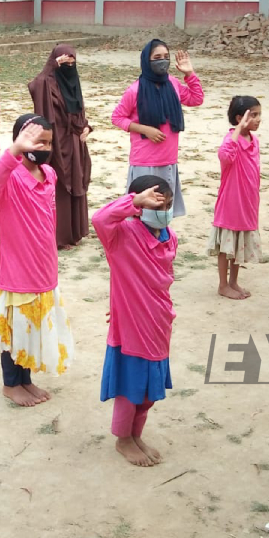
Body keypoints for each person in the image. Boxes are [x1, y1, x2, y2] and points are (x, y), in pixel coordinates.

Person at [0, 115, 74, 407]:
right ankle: (11, 384)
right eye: (38, 141)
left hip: (44, 267)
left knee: (31, 328)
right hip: (18, 271)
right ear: (21, 141)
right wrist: (14, 151)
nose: (44, 147)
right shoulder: (8, 179)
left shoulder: (48, 174)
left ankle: (26, 380)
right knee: (15, 327)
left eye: (48, 141)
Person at [93, 175, 177, 468]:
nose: (164, 211)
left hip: (160, 320)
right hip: (131, 325)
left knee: (150, 389)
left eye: (168, 205)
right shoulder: (121, 234)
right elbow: (100, 219)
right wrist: (133, 203)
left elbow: (156, 279)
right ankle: (122, 439)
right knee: (131, 385)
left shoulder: (170, 237)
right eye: (156, 205)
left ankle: (136, 434)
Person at [111, 40, 203, 219]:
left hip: (168, 160)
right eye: (157, 57)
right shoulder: (135, 90)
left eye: (166, 57)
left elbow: (196, 99)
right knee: (143, 211)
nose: (162, 61)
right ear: (147, 60)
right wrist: (145, 129)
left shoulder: (173, 84)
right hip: (145, 162)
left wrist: (189, 73)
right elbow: (117, 118)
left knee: (163, 209)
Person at [28, 44, 92, 250]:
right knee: (60, 186)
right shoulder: (48, 83)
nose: (69, 67)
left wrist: (87, 128)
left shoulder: (73, 82)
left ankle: (75, 232)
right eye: (64, 63)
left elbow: (79, 113)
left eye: (72, 63)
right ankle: (59, 236)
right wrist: (52, 67)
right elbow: (35, 85)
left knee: (77, 183)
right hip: (56, 144)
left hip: (76, 143)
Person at [207, 96, 263, 300]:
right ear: (240, 117)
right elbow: (224, 155)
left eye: (259, 115)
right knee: (226, 246)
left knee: (239, 244)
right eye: (253, 115)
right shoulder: (232, 139)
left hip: (248, 201)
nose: (258, 119)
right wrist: (239, 129)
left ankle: (233, 282)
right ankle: (223, 284)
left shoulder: (254, 140)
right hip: (231, 201)